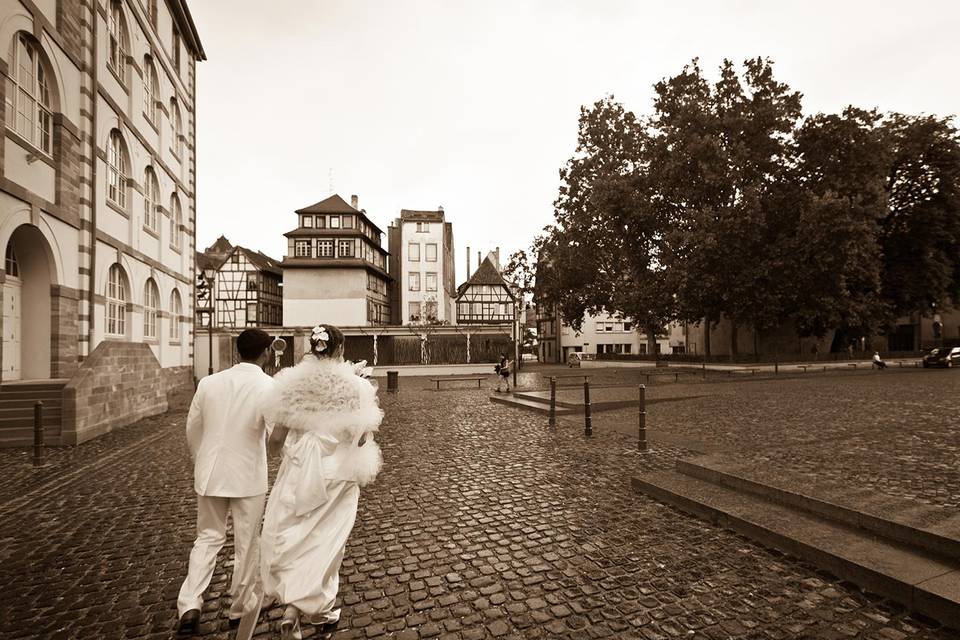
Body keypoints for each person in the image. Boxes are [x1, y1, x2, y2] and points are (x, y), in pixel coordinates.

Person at [260, 324, 383, 640]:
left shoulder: (291, 384)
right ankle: (309, 609)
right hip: (338, 473)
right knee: (328, 543)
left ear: (311, 348)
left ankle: (309, 609)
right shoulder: (355, 387)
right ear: (340, 350)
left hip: (299, 471)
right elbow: (359, 440)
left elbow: (276, 440)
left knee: (296, 536)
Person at [177, 328, 276, 635]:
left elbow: (192, 428)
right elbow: (276, 435)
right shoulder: (268, 386)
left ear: (238, 352)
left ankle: (190, 604)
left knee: (207, 538)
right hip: (247, 474)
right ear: (266, 353)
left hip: (210, 472)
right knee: (247, 544)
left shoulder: (208, 383)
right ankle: (239, 606)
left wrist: (201, 459)